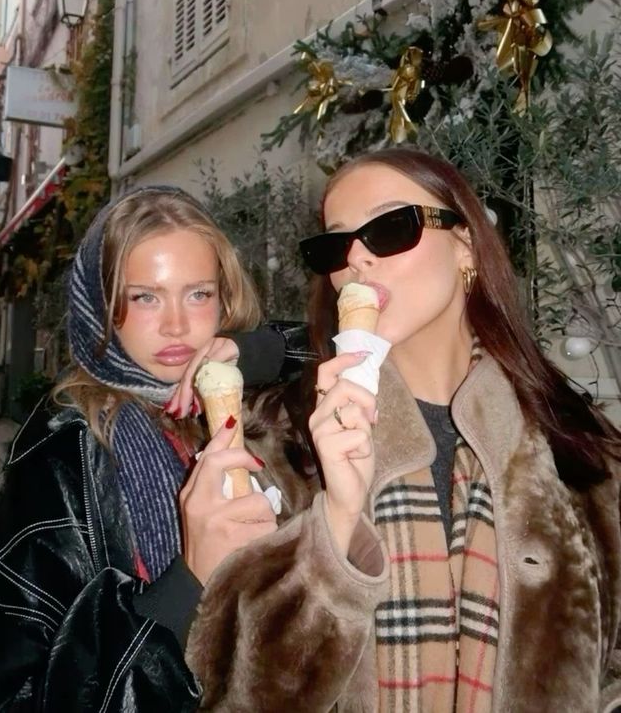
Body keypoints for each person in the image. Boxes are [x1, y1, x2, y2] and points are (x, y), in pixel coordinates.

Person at [185, 148, 621, 712]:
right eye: (336, 245)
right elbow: (237, 693)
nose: (358, 259)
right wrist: (337, 523)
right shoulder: (276, 443)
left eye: (391, 227)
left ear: (464, 243)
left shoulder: (583, 449)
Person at [0, 186, 313, 712]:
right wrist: (185, 583)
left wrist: (251, 350)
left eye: (198, 293)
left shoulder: (241, 409)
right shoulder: (60, 464)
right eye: (145, 297)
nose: (177, 324)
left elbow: (355, 352)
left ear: (225, 300)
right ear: (103, 312)